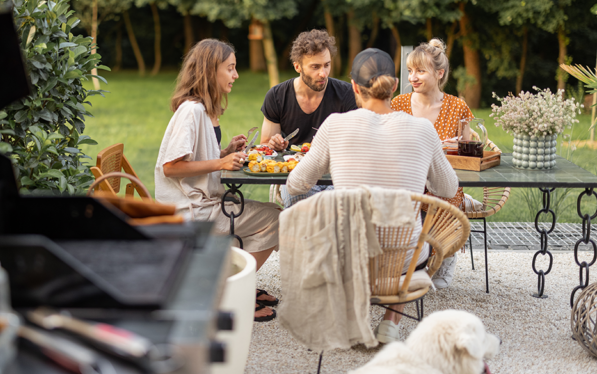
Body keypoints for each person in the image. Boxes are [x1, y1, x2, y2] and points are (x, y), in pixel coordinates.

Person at [285, 48, 458, 344]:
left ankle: (353, 316)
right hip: (404, 260)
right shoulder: (423, 130)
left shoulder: (334, 126)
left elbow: (295, 184)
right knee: (408, 235)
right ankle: (391, 321)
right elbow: (448, 190)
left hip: (346, 257)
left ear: (353, 87)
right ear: (394, 86)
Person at [155, 39, 281, 322]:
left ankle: (236, 281)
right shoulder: (192, 111)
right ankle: (231, 291)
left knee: (267, 215)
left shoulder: (202, 109)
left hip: (203, 203)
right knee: (276, 219)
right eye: (231, 68)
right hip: (191, 213)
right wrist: (220, 162)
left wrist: (224, 152)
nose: (236, 75)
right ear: (211, 71)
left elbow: (195, 159)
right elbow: (171, 167)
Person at [391, 38, 472, 289]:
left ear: (439, 73)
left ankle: (445, 254)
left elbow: (466, 157)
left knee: (446, 197)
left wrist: (451, 147)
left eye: (420, 71)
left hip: (442, 185)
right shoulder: (398, 104)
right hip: (409, 182)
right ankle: (408, 260)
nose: (413, 77)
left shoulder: (458, 107)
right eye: (410, 71)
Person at [259, 29, 357, 208]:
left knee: (336, 206)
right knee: (304, 207)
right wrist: (274, 144)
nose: (323, 73)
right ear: (298, 67)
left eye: (327, 65)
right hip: (295, 175)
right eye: (315, 67)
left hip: (334, 176)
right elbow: (264, 146)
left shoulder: (346, 94)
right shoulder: (277, 96)